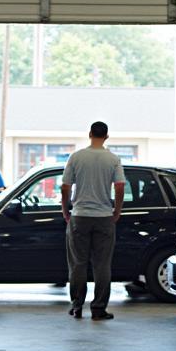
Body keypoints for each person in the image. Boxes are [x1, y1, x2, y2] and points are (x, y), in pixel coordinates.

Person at [61, 122, 126, 321]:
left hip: (79, 216)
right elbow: (120, 186)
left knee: (78, 264)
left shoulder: (76, 157)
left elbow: (65, 187)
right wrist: (116, 211)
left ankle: (77, 306)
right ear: (106, 136)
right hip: (104, 218)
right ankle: (98, 309)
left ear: (90, 134)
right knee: (102, 265)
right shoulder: (113, 159)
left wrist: (66, 211)